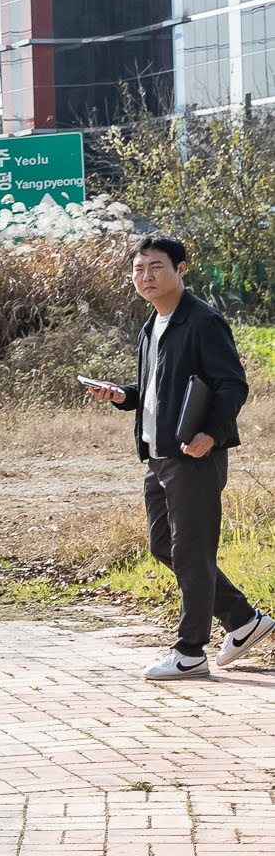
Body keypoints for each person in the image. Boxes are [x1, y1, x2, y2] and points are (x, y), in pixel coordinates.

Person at [84, 235, 270, 680]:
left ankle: (190, 652)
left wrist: (211, 434)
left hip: (195, 454)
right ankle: (244, 620)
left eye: (156, 267)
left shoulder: (203, 321)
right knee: (165, 546)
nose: (146, 277)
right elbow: (156, 391)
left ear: (181, 269)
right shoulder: (152, 327)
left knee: (192, 551)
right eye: (138, 269)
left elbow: (232, 385)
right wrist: (123, 395)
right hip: (159, 455)